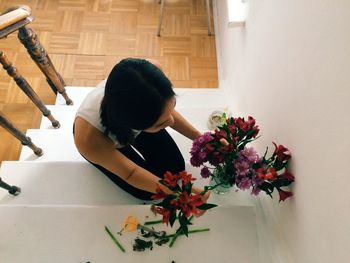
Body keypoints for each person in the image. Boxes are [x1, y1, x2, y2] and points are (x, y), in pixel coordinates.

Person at [73, 58, 209, 203]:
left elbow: (162, 109)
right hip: (104, 143)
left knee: (175, 168)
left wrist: (202, 139)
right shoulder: (89, 140)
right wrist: (177, 194)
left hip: (140, 118)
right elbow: (130, 173)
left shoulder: (149, 75)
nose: (171, 122)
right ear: (135, 125)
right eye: (161, 123)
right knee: (147, 192)